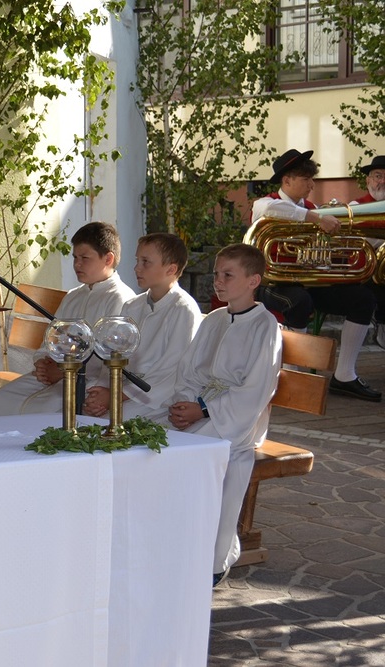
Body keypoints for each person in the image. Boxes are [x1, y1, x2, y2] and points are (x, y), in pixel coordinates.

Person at [149, 243, 281, 586]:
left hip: (238, 420)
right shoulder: (215, 320)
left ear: (253, 281)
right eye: (216, 274)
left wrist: (204, 410)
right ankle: (168, 543)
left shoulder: (265, 326)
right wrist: (184, 405)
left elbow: (257, 389)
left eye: (227, 275)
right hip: (200, 408)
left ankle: (212, 556)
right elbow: (189, 371)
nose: (218, 281)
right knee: (147, 437)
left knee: (177, 452)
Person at [251, 149, 381, 402]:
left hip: (309, 283)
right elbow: (265, 207)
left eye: (312, 179)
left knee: (363, 299)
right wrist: (313, 217)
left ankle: (345, 375)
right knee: (299, 302)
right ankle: (293, 376)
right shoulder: (268, 203)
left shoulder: (312, 208)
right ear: (287, 180)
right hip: (272, 284)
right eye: (306, 179)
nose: (312, 185)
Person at [0, 222, 136, 417]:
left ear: (108, 258)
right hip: (56, 373)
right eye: (75, 257)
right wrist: (43, 362)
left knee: (40, 411)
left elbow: (109, 358)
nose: (77, 264)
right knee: (1, 399)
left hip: (87, 380)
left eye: (84, 258)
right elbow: (52, 337)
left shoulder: (121, 299)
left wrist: (64, 370)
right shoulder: (73, 296)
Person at [82, 233, 202, 419]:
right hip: (121, 390)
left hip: (155, 399)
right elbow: (114, 354)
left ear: (171, 269)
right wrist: (102, 391)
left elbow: (171, 372)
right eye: (137, 260)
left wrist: (115, 396)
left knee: (106, 424)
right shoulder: (132, 306)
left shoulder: (183, 309)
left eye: (146, 262)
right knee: (82, 413)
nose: (137, 268)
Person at [350, 155, 385, 349]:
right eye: (378, 176)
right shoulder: (355, 207)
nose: (383, 181)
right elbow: (359, 241)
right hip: (365, 271)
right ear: (368, 180)